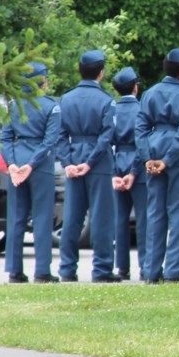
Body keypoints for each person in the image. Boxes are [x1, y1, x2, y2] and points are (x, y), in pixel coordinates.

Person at [135, 48, 179, 283]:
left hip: (153, 149)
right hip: (178, 157)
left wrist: (148, 158)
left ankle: (151, 270)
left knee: (155, 212)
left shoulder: (150, 94)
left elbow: (140, 128)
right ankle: (174, 270)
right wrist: (168, 160)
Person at [56, 50, 118, 283]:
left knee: (72, 217)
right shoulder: (106, 101)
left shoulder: (67, 99)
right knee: (101, 217)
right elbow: (106, 136)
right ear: (100, 73)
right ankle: (101, 270)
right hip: (98, 163)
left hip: (73, 159)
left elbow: (59, 135)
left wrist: (68, 163)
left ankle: (67, 269)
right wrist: (89, 162)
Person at [1, 62, 61, 283]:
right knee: (42, 217)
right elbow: (50, 140)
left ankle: (15, 271)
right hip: (40, 166)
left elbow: (6, 138)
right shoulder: (51, 106)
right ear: (41, 81)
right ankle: (42, 271)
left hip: (17, 162)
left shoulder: (14, 106)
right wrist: (32, 164)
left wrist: (11, 164)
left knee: (16, 218)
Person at [110, 67, 147, 281]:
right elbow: (142, 143)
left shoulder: (112, 110)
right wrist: (133, 171)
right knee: (143, 219)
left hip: (117, 161)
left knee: (120, 219)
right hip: (138, 164)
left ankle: (122, 268)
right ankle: (145, 266)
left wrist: (116, 172)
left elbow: (108, 142)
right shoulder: (142, 110)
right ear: (135, 87)